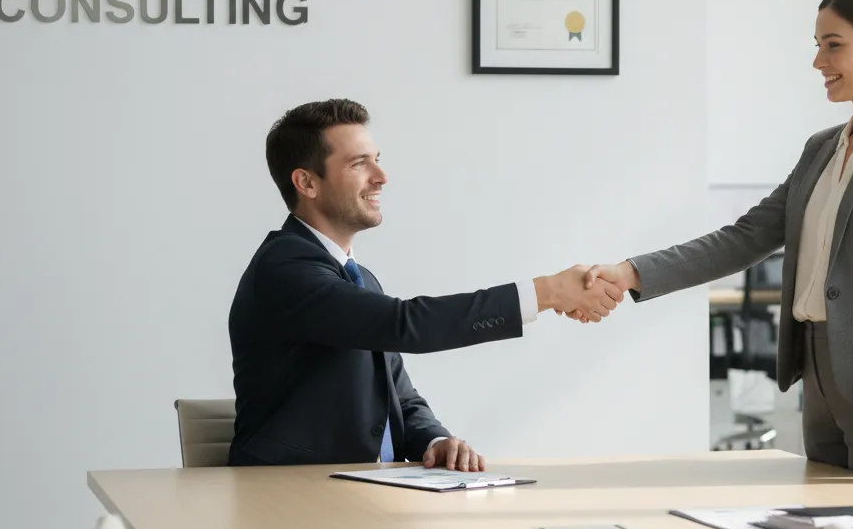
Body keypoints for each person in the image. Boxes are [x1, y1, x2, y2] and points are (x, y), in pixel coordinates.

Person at [571, 0, 853, 490]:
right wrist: (630, 273)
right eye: (817, 46)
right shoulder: (822, 147)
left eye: (834, 45)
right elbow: (744, 237)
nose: (819, 62)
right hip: (821, 382)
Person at [228, 99, 624, 469]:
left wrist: (433, 441)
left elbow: (398, 396)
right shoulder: (285, 268)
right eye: (359, 164)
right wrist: (548, 292)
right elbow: (406, 325)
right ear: (307, 183)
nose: (381, 177)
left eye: (377, 161)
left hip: (363, 494)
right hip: (287, 501)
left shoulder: (358, 278)